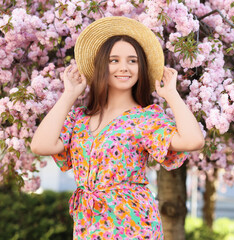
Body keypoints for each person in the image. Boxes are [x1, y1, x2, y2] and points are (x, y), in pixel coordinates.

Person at [31, 16, 205, 239]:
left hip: (133, 224)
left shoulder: (146, 118)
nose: (124, 67)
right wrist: (69, 95)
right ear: (102, 65)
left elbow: (193, 140)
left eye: (132, 61)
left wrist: (171, 94)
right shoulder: (78, 118)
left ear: (141, 68)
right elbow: (40, 145)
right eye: (114, 60)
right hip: (88, 223)